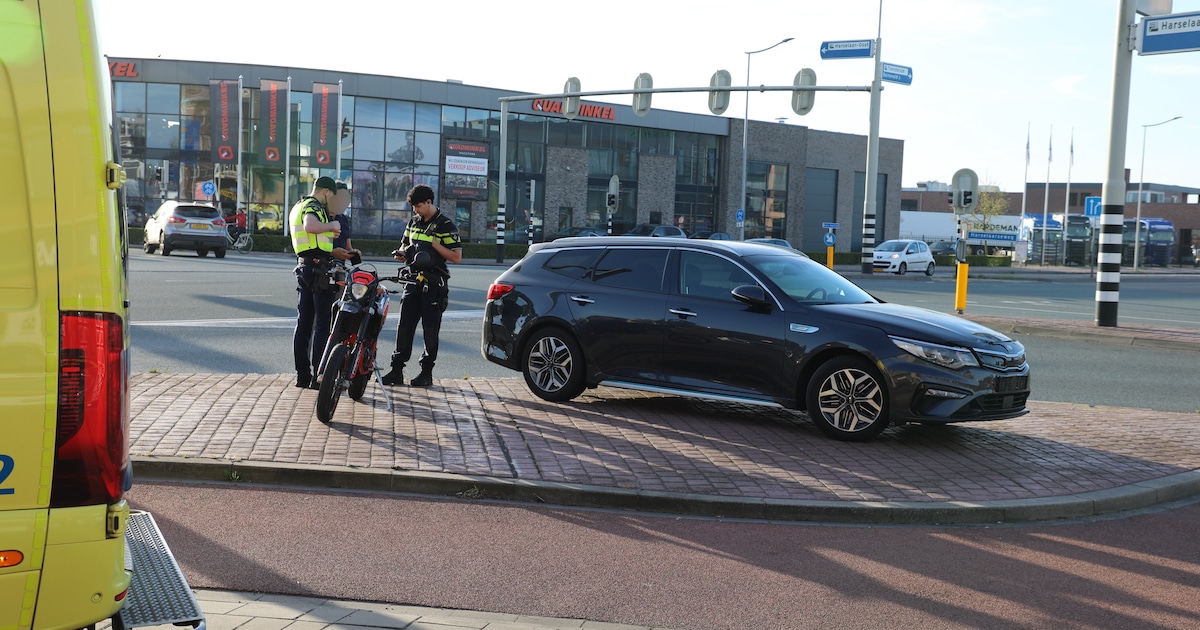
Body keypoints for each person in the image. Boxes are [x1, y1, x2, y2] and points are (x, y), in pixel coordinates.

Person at [380, 184, 462, 387]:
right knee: (404, 327)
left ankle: (426, 373)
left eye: (418, 206)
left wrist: (434, 245)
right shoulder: (414, 221)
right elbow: (405, 244)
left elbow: (456, 257)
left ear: (429, 202)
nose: (415, 210)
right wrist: (402, 253)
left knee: (430, 330)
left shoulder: (445, 224)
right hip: (412, 281)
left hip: (433, 285)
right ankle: (396, 371)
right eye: (413, 207)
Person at [290, 176, 342, 389]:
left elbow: (312, 240)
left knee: (304, 323)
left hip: (305, 267)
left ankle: (302, 375)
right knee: (322, 323)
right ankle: (318, 377)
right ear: (327, 192)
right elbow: (310, 226)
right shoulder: (313, 205)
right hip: (319, 271)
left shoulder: (298, 205)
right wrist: (332, 225)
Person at [329, 182, 360, 264]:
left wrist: (353, 252)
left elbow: (348, 247)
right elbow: (313, 248)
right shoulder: (320, 215)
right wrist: (332, 252)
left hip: (340, 266)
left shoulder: (343, 218)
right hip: (322, 265)